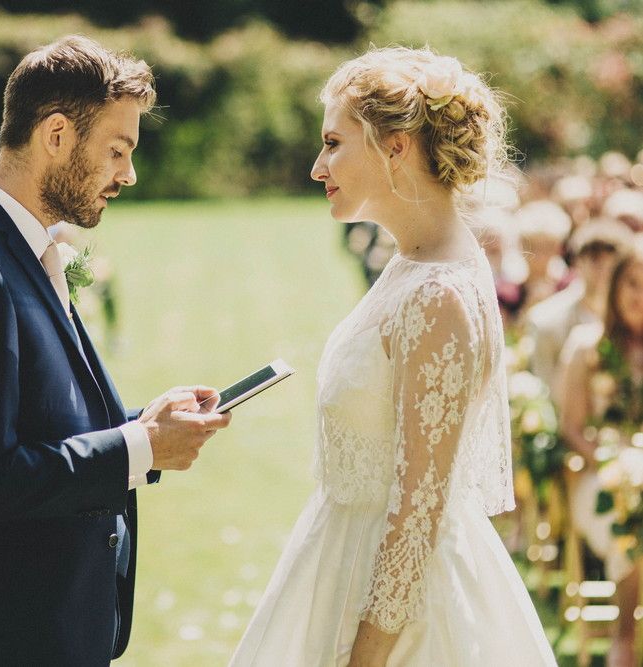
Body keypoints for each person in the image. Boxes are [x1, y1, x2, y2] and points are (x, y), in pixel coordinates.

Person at [230, 46, 555, 666]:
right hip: (341, 561)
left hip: (406, 617)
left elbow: (419, 511)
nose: (317, 166)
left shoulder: (438, 296)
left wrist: (367, 655)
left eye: (333, 142)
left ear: (397, 145)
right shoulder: (412, 265)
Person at [0, 36, 231, 665]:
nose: (128, 174)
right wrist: (138, 449)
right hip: (1, 640)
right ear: (55, 134)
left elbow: (39, 420)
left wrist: (144, 425)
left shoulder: (25, 250)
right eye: (117, 150)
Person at [559, 240, 643, 667]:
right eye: (632, 283)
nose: (639, 295)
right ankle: (623, 639)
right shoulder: (586, 346)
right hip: (601, 474)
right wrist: (612, 465)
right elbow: (572, 429)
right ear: (615, 288)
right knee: (628, 515)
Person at [526, 217, 633, 395]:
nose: (604, 270)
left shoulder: (633, 318)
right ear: (578, 262)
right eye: (596, 261)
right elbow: (544, 392)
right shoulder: (546, 320)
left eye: (612, 263)